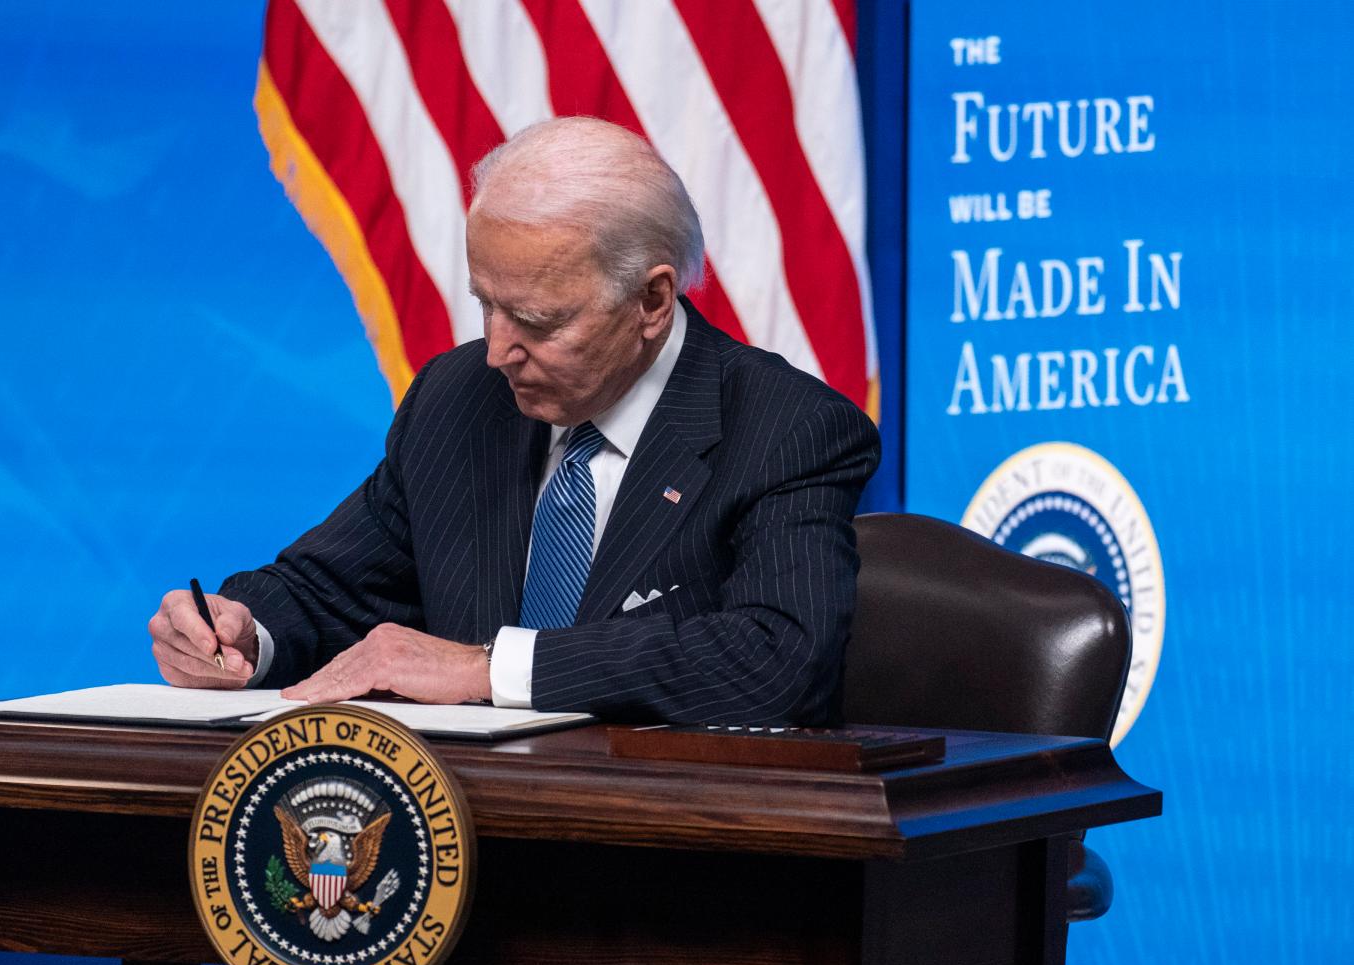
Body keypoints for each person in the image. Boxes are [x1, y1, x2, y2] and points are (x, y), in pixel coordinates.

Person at [148, 116, 879, 727]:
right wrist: (243, 630)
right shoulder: (457, 397)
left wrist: (485, 669)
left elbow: (780, 659)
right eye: (486, 304)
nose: (498, 351)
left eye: (536, 319)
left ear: (653, 302)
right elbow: (330, 590)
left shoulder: (786, 430)